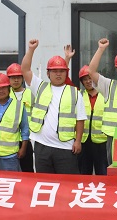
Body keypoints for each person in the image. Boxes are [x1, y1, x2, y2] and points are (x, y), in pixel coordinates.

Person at [21, 39, 86, 174]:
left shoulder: (74, 93)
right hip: (42, 146)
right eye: (54, 71)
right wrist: (31, 49)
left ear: (66, 73)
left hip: (65, 147)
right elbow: (25, 69)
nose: (58, 74)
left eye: (61, 71)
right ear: (48, 73)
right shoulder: (40, 87)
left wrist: (78, 141)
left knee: (67, 183)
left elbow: (80, 119)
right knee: (45, 182)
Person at [0, 47, 34, 172]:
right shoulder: (4, 92)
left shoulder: (30, 94)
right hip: (8, 143)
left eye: (18, 77)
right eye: (12, 77)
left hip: (25, 141)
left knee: (27, 172)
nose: (16, 80)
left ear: (23, 78)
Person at [77, 65, 109, 175]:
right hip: (83, 141)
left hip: (102, 142)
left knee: (103, 173)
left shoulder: (105, 95)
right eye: (85, 79)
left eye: (90, 78)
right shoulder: (79, 96)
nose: (88, 81)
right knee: (83, 174)